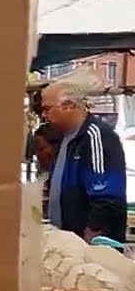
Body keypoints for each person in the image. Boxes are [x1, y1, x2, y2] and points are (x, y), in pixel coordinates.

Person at [40, 81, 127, 244]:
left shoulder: (96, 136)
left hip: (91, 245)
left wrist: (94, 232)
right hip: (67, 241)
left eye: (47, 108)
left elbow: (106, 194)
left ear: (69, 105)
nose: (44, 116)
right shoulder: (65, 140)